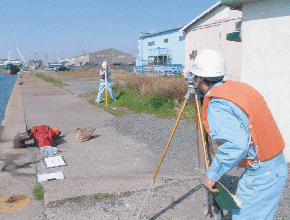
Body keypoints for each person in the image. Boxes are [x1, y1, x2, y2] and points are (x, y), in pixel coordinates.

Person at [190, 49, 288, 219]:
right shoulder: (239, 89)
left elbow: (236, 146)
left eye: (194, 77)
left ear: (199, 79)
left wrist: (211, 176)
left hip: (260, 176)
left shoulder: (218, 104)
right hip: (277, 166)